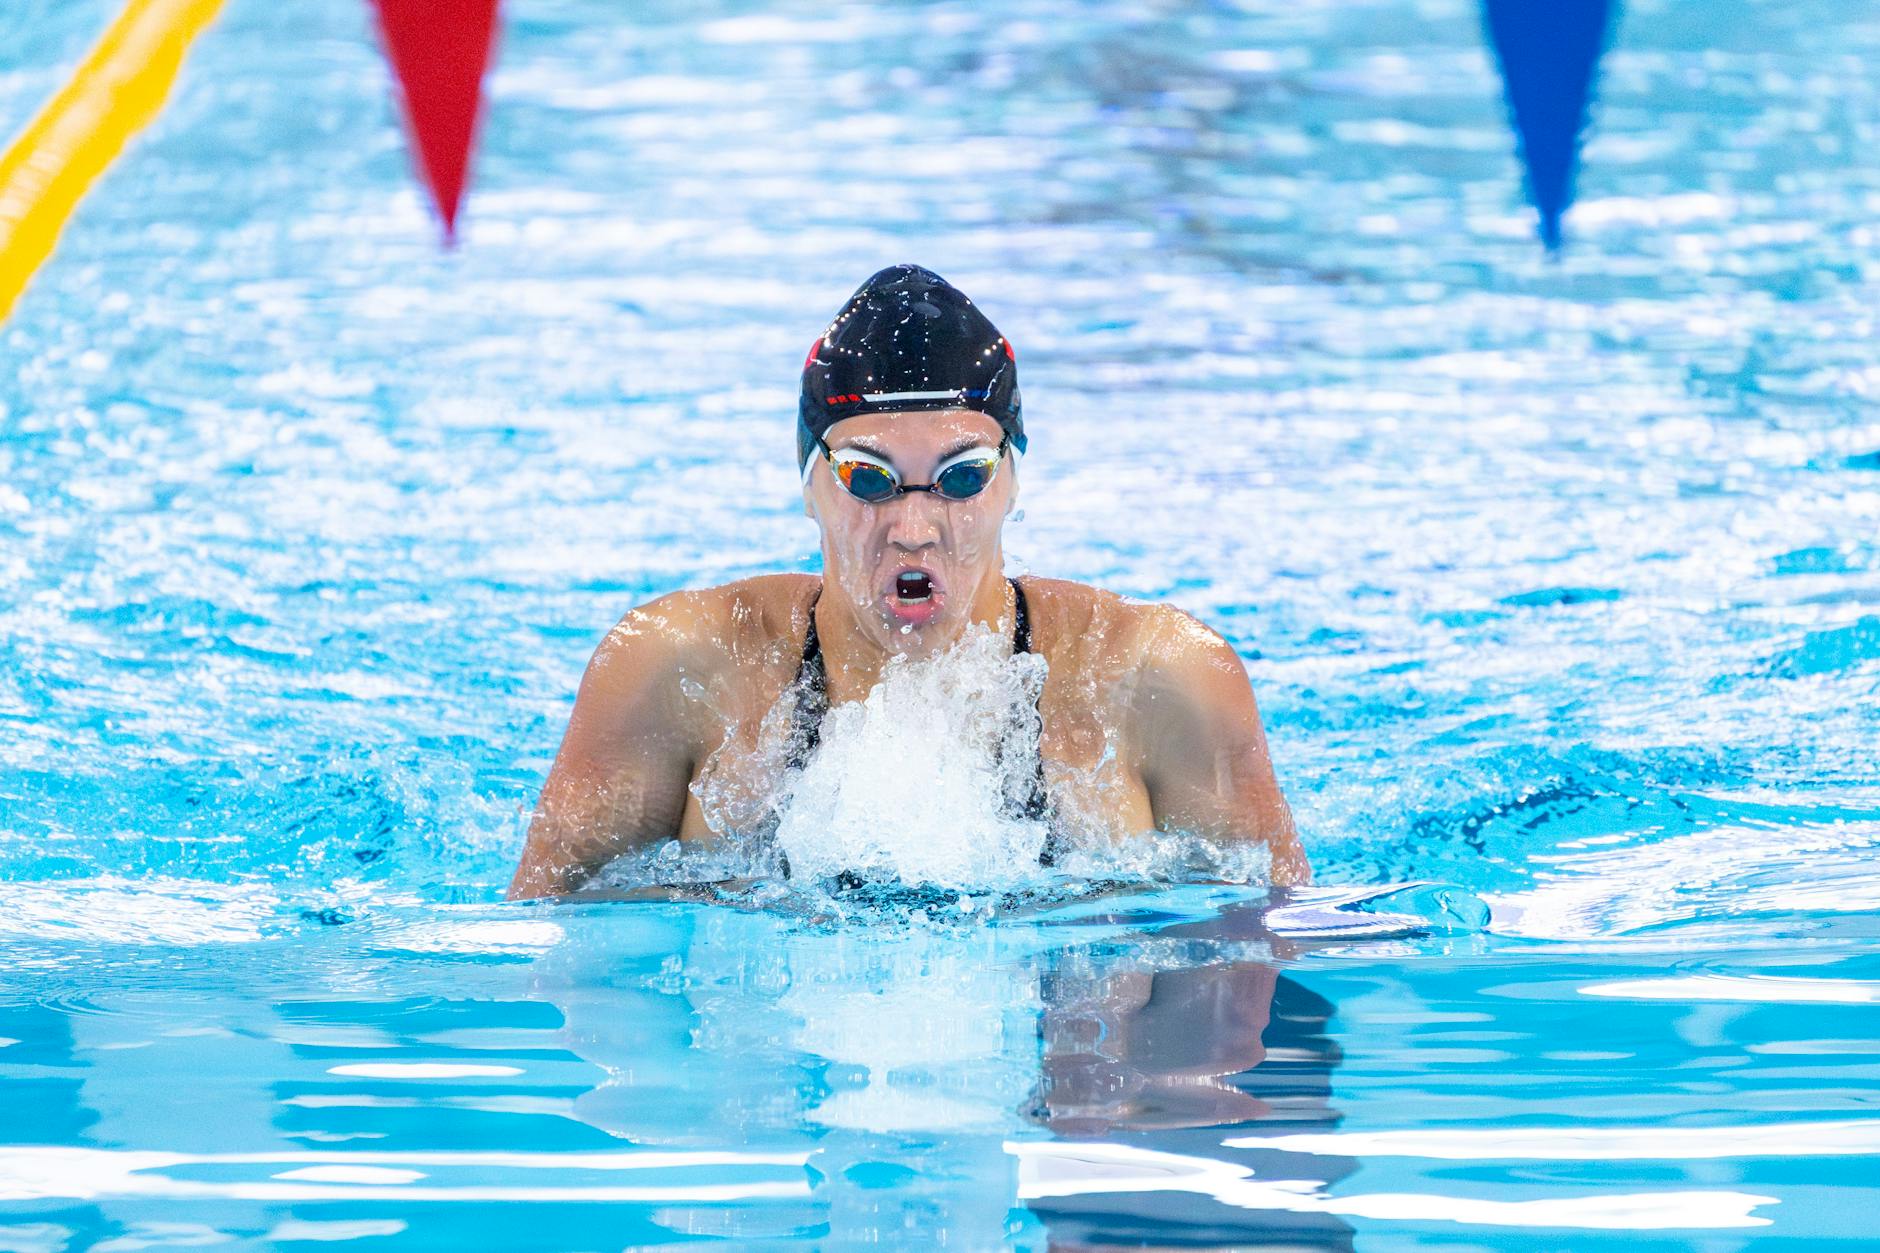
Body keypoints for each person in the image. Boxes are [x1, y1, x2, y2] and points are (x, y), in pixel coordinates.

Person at [506, 264, 1307, 899]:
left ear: (1012, 482)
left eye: (960, 478)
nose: (915, 525)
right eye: (868, 477)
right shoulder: (675, 672)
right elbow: (544, 951)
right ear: (809, 481)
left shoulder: (1158, 679)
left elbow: (1270, 967)